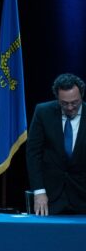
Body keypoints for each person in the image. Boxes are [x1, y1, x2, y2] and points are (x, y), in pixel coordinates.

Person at [26, 73, 86, 216]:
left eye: (75, 102)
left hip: (82, 196)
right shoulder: (43, 112)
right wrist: (39, 191)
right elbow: (33, 153)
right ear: (57, 98)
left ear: (82, 95)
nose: (70, 107)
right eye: (64, 103)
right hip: (49, 198)